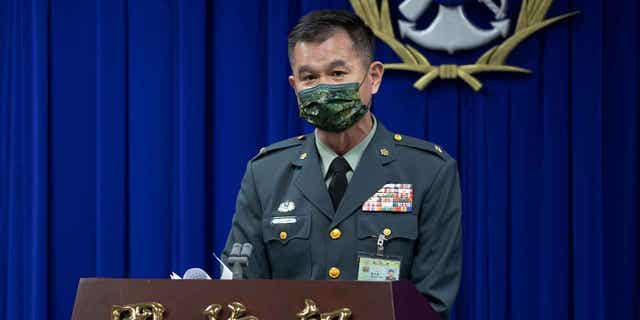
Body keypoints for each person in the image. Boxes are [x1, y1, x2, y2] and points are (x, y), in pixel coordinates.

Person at [222, 9, 462, 319]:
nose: (323, 88)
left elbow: (432, 302)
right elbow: (241, 290)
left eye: (337, 74)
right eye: (310, 77)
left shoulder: (428, 171)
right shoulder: (266, 173)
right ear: (294, 85)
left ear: (373, 77)